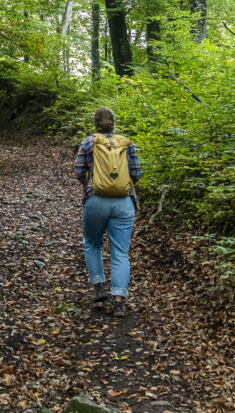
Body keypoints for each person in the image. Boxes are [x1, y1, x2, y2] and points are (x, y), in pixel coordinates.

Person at [73, 106, 141, 317]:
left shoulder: (88, 142)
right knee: (120, 252)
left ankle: (99, 287)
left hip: (96, 200)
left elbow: (78, 171)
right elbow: (136, 173)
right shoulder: (127, 143)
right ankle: (119, 301)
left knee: (92, 243)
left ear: (95, 123)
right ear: (114, 122)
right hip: (123, 202)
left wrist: (93, 183)